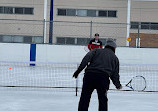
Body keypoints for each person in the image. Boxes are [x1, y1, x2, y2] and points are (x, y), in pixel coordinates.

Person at [73, 39, 122, 111]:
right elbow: (115, 74)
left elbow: (86, 59)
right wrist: (117, 85)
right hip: (103, 78)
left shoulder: (96, 50)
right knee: (103, 99)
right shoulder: (115, 58)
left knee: (85, 97)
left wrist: (78, 70)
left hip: (89, 76)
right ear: (114, 48)